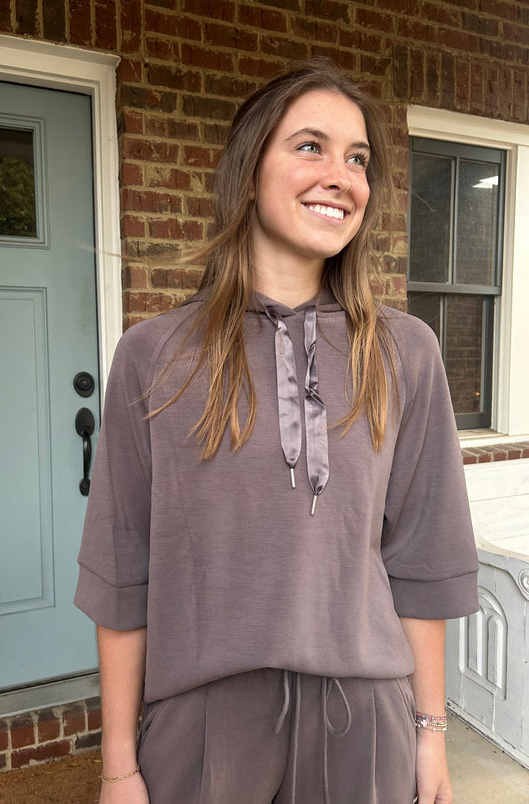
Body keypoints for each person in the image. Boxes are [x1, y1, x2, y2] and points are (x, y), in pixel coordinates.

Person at [75, 58, 479, 804]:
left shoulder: (406, 351)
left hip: (364, 724)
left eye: (357, 159)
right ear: (249, 171)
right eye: (310, 147)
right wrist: (118, 765)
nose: (340, 176)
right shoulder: (153, 355)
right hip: (201, 725)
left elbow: (422, 560)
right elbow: (123, 571)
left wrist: (430, 733)